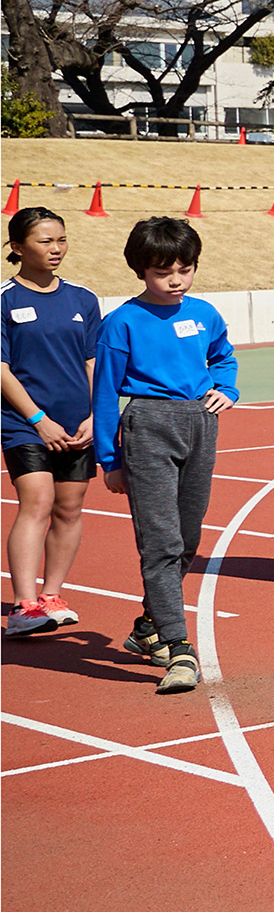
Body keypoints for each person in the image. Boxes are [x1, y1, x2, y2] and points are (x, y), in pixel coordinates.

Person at [92, 217, 238, 695]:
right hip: (148, 426)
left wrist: (228, 389)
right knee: (161, 543)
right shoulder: (122, 322)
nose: (175, 279)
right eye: (163, 272)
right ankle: (179, 648)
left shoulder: (204, 313)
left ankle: (146, 627)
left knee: (189, 537)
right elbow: (105, 393)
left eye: (185, 268)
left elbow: (223, 357)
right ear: (140, 271)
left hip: (200, 423)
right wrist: (110, 460)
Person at [2, 208, 97, 638]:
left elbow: (95, 361)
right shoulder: (5, 299)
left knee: (69, 508)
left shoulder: (83, 298)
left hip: (78, 423)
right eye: (43, 241)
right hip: (24, 422)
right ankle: (23, 605)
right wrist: (38, 419)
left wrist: (97, 415)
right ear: (17, 248)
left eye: (61, 239)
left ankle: (52, 595)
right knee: (36, 502)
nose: (55, 248)